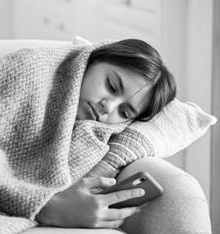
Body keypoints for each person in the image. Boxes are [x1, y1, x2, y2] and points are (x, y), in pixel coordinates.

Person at [36, 39, 177, 229]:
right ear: (94, 60)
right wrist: (47, 208)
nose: (108, 107)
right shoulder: (33, 71)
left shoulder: (92, 141)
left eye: (124, 112)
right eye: (111, 86)